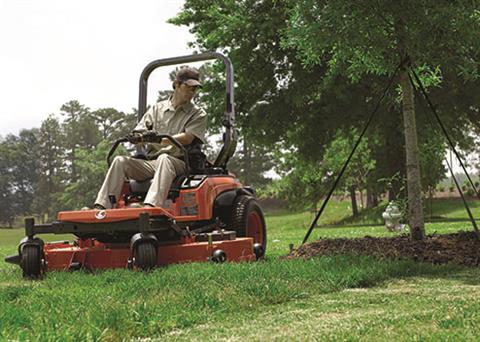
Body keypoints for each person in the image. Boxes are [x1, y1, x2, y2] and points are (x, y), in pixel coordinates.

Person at [93, 66, 207, 209]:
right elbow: (140, 129)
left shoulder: (197, 113)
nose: (192, 92)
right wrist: (138, 137)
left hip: (179, 162)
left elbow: (188, 138)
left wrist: (158, 139)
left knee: (164, 159)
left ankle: (150, 206)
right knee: (119, 161)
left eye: (195, 89)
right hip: (152, 162)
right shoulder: (157, 109)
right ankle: (102, 207)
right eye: (189, 87)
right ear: (176, 85)